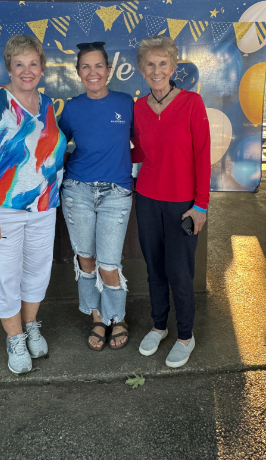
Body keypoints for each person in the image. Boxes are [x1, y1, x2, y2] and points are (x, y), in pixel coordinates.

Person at [0, 34, 67, 374]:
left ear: (42, 68)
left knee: (37, 272)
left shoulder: (49, 104)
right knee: (4, 276)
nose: (27, 70)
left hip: (42, 208)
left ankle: (31, 324)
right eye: (19, 64)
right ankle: (14, 338)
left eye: (33, 63)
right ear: (9, 67)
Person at [132, 36, 211, 368]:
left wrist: (201, 206)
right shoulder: (137, 107)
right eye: (150, 64)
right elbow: (137, 150)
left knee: (180, 272)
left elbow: (203, 156)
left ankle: (185, 336)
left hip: (183, 203)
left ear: (174, 67)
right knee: (155, 269)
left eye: (163, 63)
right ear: (141, 69)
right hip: (147, 198)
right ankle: (160, 326)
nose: (156, 70)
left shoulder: (192, 103)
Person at [58, 42, 134, 351]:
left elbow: (146, 143)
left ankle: (118, 317)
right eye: (85, 67)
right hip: (78, 191)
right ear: (78, 72)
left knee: (108, 264)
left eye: (98, 66)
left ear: (109, 70)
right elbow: (55, 147)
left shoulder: (126, 103)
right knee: (85, 260)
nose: (93, 72)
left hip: (117, 192)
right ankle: (97, 318)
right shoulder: (72, 107)